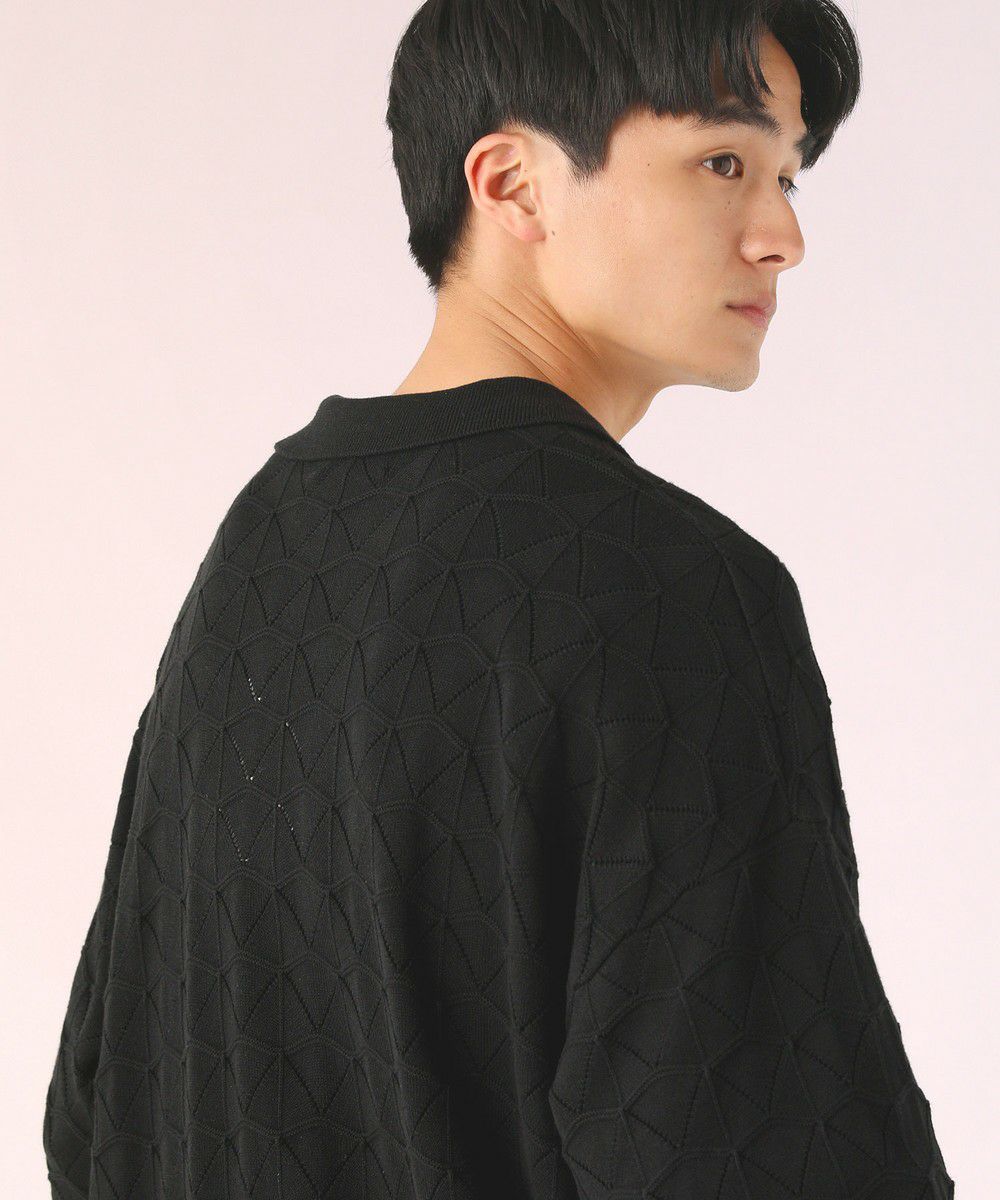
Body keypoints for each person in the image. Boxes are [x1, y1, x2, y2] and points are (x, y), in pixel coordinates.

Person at [43, 2, 955, 1197]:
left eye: (786, 175)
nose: (782, 235)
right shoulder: (667, 587)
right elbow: (772, 1153)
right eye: (722, 162)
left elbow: (101, 1104)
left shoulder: (264, 543)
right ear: (514, 184)